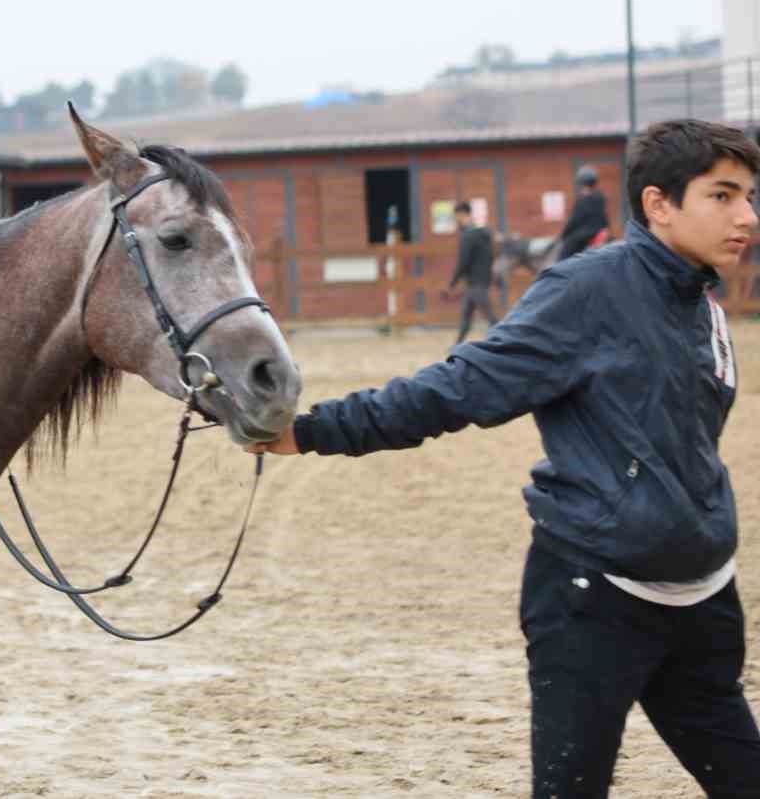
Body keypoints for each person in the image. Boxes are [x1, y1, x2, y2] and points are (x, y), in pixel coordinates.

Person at [252, 118, 760, 797]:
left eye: (749, 196)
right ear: (659, 205)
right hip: (595, 603)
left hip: (703, 601)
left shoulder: (701, 301)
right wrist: (315, 431)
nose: (747, 216)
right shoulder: (587, 291)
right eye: (723, 196)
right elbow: (459, 387)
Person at [446, 201, 500, 345]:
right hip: (480, 280)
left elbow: (463, 262)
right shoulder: (482, 232)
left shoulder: (468, 236)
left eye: (456, 216)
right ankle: (456, 345)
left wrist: (453, 282)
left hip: (475, 282)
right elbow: (492, 255)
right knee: (467, 316)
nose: (455, 220)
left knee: (491, 317)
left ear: (461, 214)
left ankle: (505, 342)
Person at [557, 165, 609, 260]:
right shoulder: (600, 197)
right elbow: (604, 218)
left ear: (581, 183)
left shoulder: (583, 200)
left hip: (585, 235)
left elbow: (574, 220)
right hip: (599, 233)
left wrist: (564, 234)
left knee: (564, 252)